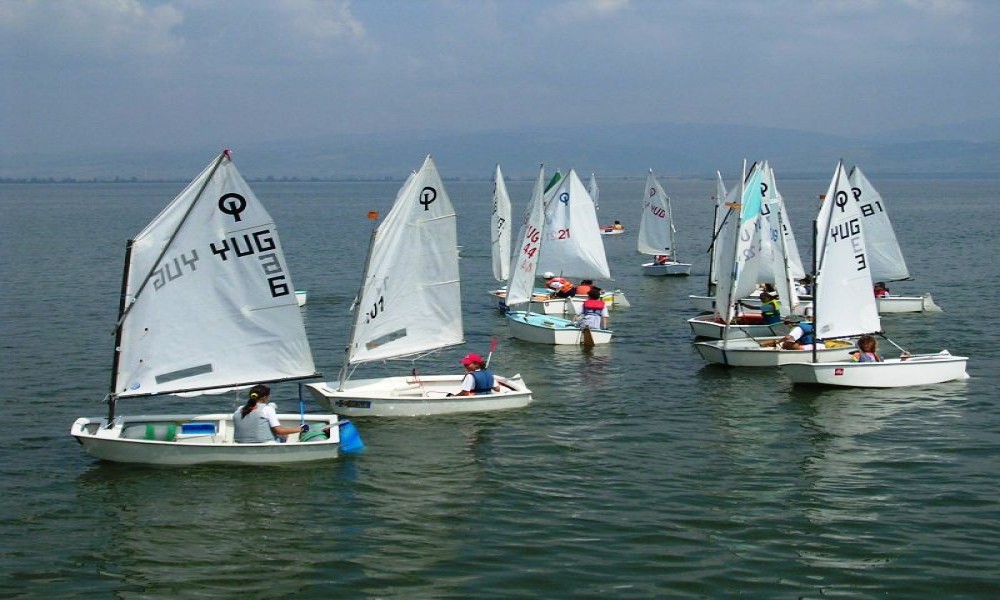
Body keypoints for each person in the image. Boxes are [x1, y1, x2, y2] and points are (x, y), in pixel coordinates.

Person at [232, 384, 306, 443]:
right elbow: (279, 431)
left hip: (241, 443)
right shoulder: (267, 409)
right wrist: (301, 429)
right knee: (284, 435)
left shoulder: (239, 409)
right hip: (264, 444)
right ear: (265, 397)